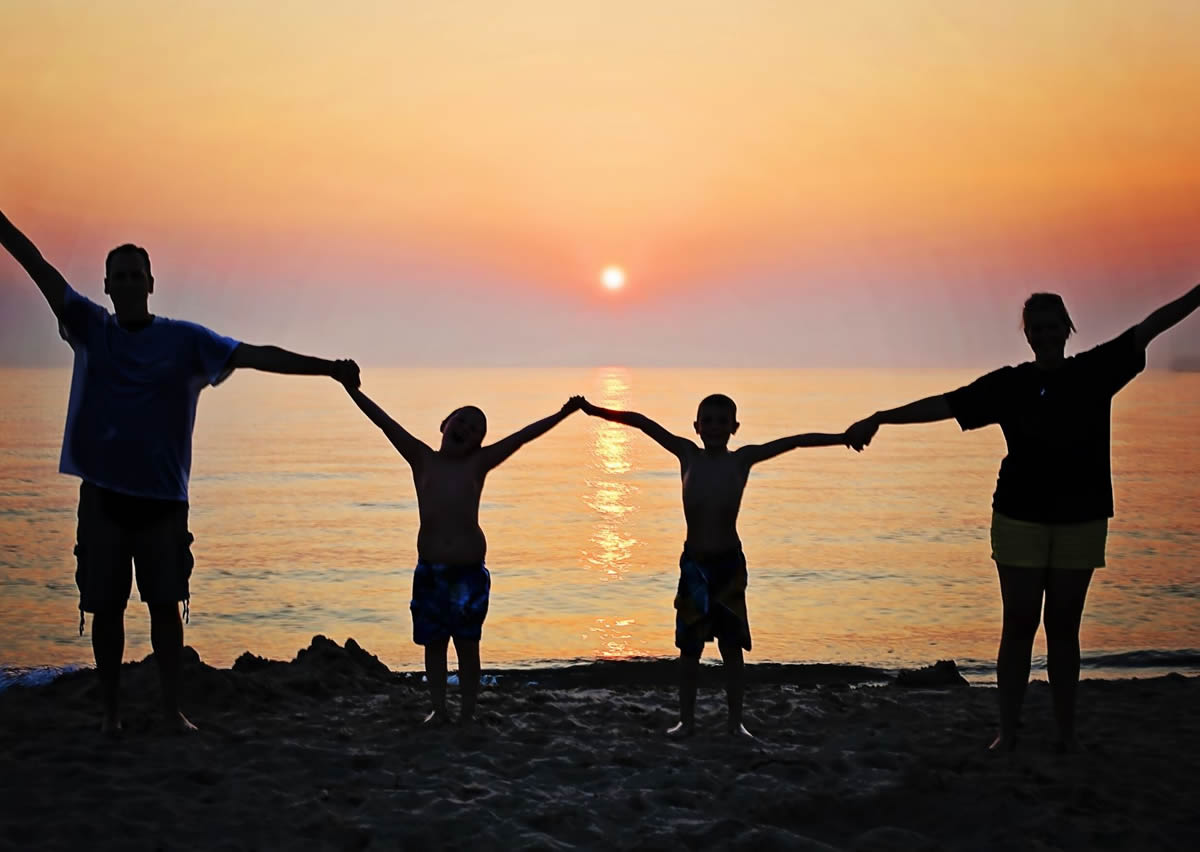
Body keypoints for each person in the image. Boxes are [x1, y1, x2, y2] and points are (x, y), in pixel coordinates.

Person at [0, 210, 360, 734]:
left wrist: (327, 368)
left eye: (134, 274)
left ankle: (171, 711)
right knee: (107, 610)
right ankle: (110, 717)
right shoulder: (89, 326)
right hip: (102, 496)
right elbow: (37, 265)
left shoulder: (187, 341)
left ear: (150, 283)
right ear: (106, 286)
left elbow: (257, 354)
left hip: (163, 500)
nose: (125, 283)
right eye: (116, 275)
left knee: (166, 608)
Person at [846, 286, 1200, 752]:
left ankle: (1065, 735)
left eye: (1055, 327)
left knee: (1063, 628)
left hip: (1082, 516)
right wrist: (880, 418)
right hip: (1019, 516)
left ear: (1068, 330)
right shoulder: (1008, 385)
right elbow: (947, 405)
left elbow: (1153, 325)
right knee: (1018, 625)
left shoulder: (1095, 370)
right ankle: (1008, 732)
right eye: (1038, 329)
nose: (1047, 336)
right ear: (1028, 336)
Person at [579, 393, 858, 737]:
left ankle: (735, 722)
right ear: (696, 427)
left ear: (734, 427)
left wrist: (842, 438)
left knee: (731, 647)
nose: (714, 427)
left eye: (721, 422)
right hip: (695, 566)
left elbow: (795, 442)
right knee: (690, 650)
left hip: (728, 565)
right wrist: (594, 410)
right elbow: (642, 422)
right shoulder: (686, 454)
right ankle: (687, 721)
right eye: (707, 421)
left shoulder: (742, 460)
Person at [340, 383, 582, 725]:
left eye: (476, 430)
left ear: (479, 444)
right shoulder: (421, 458)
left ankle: (467, 713)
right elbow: (384, 422)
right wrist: (351, 387)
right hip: (431, 573)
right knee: (434, 645)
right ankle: (439, 709)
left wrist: (562, 413)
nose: (467, 429)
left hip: (468, 573)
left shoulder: (478, 464)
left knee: (468, 646)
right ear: (444, 424)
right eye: (463, 421)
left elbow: (523, 436)